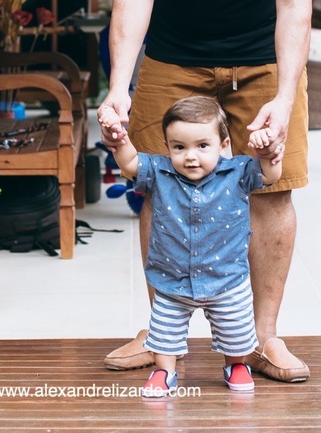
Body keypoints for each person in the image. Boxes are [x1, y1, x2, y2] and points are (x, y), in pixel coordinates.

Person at [99, 0, 321, 383]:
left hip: (263, 56)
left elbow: (293, 3)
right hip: (175, 54)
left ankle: (264, 337)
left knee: (273, 189)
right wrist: (120, 84)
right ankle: (160, 333)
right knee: (158, 185)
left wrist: (283, 93)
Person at [101, 96, 280, 396]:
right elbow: (131, 162)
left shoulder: (238, 172)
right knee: (163, 332)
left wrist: (269, 153)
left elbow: (270, 175)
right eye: (179, 147)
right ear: (168, 146)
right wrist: (119, 140)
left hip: (226, 278)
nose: (190, 157)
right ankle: (164, 372)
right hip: (173, 279)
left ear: (223, 146)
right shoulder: (159, 172)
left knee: (235, 330)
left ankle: (236, 364)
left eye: (202, 146)